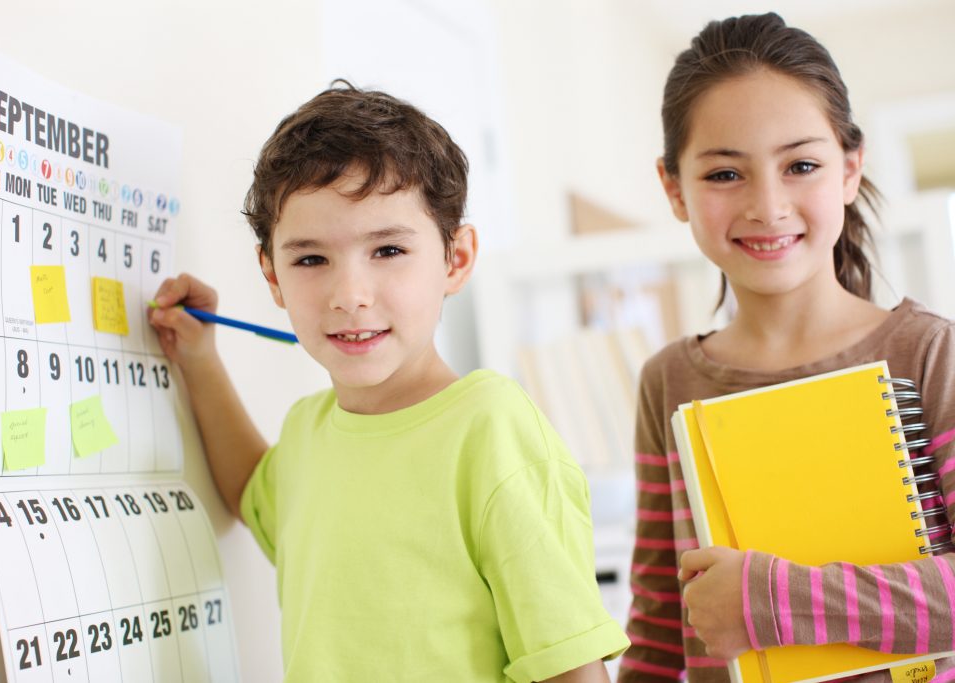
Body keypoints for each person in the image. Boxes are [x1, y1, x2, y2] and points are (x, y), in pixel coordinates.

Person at [149, 82, 629, 683]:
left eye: (389, 249)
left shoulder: (491, 429)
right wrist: (200, 362)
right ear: (272, 277)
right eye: (310, 260)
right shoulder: (306, 430)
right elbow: (254, 492)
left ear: (455, 259)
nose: (349, 296)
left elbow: (571, 669)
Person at [619, 12, 955, 683]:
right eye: (724, 174)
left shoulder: (929, 353)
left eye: (800, 165)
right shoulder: (669, 380)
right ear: (672, 188)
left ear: (850, 170)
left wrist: (771, 599)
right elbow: (658, 628)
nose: (768, 206)